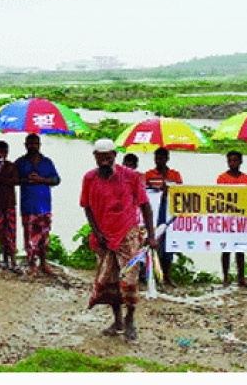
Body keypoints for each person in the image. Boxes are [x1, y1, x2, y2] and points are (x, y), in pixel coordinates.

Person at [81, 138, 158, 342]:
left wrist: (150, 235)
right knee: (110, 281)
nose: (105, 162)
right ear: (95, 158)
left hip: (127, 236)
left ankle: (130, 319)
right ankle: (117, 320)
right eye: (100, 158)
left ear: (114, 156)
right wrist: (97, 232)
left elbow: (145, 206)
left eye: (108, 158)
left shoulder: (131, 177)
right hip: (104, 238)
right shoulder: (89, 178)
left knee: (130, 281)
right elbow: (87, 206)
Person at [15, 133, 61, 277]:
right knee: (29, 238)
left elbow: (56, 180)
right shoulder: (20, 163)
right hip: (28, 206)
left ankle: (43, 263)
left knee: (44, 238)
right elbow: (13, 179)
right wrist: (25, 180)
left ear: (39, 145)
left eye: (35, 143)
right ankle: (31, 265)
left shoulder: (47, 162)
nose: (32, 146)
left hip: (44, 206)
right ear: (25, 145)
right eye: (30, 143)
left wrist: (42, 179)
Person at [143, 147, 183, 288]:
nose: (159, 161)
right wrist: (156, 192)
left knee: (168, 244)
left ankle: (167, 276)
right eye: (156, 158)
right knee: (152, 241)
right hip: (153, 213)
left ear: (167, 159)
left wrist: (168, 191)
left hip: (168, 213)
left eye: (161, 158)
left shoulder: (175, 175)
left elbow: (181, 192)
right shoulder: (148, 175)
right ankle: (151, 274)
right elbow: (144, 193)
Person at [217, 150, 247, 287]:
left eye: (235, 160)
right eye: (230, 160)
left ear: (241, 162)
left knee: (240, 249)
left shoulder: (246, 179)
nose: (233, 163)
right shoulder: (222, 178)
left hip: (241, 218)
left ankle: (241, 278)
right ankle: (225, 278)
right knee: (225, 249)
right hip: (227, 218)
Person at [0, 140, 20, 271]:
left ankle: (13, 259)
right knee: (0, 231)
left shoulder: (11, 166)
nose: (2, 154)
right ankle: (4, 258)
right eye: (0, 151)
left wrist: (0, 179)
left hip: (9, 204)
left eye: (4, 152)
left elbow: (16, 181)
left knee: (11, 232)